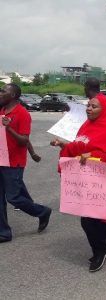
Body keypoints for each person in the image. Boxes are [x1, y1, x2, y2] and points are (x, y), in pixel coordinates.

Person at [51, 78, 106, 272]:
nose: (89, 109)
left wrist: (94, 156)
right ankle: (105, 247)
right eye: (88, 106)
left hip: (100, 182)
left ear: (105, 109)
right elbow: (78, 146)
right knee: (92, 217)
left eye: (93, 106)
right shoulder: (86, 127)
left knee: (91, 219)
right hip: (84, 181)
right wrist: (64, 145)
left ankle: (99, 251)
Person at [0, 83, 52, 243]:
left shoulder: (22, 114)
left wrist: (8, 128)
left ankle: (42, 212)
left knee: (14, 198)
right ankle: (4, 232)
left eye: (3, 91)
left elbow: (24, 139)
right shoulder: (1, 111)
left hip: (14, 163)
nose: (0, 93)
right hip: (1, 159)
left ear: (13, 95)